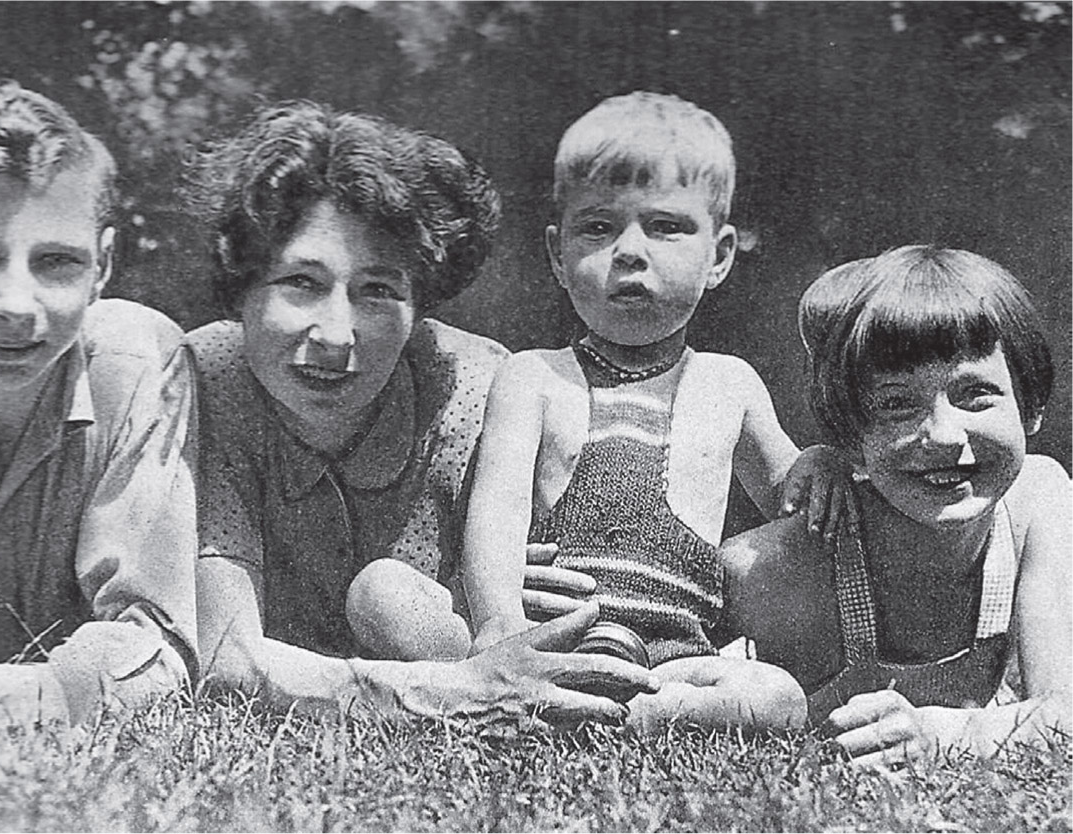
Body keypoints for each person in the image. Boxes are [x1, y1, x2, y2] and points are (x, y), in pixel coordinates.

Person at [186, 100, 657, 727]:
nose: (336, 334)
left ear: (422, 306)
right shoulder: (205, 382)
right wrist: (452, 691)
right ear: (240, 286)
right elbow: (226, 659)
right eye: (300, 281)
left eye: (378, 291)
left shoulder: (486, 392)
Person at [463, 91, 814, 733]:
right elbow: (496, 511)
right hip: (551, 641)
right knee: (385, 594)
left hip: (672, 657)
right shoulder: (533, 377)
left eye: (665, 226)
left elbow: (795, 506)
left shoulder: (730, 384)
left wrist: (819, 466)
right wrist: (499, 631)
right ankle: (520, 693)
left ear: (720, 256)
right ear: (557, 256)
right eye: (597, 227)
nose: (629, 249)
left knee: (778, 696)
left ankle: (637, 717)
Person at [0, 80, 198, 726]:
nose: (14, 304)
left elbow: (157, 647)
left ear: (104, 266)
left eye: (57, 263)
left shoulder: (138, 363)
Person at [721, 245, 1071, 766]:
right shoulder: (769, 568)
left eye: (976, 395)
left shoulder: (1038, 501)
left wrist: (946, 734)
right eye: (896, 405)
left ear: (1032, 405)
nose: (944, 435)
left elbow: (1064, 715)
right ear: (851, 434)